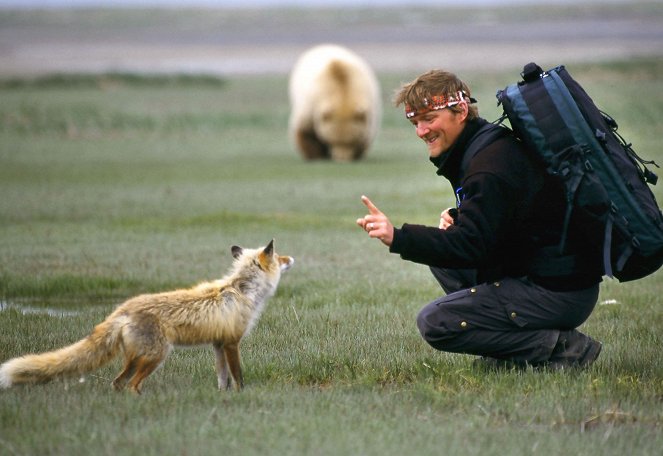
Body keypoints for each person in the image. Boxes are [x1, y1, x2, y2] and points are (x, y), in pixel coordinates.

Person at [356, 69, 604, 369]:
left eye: (429, 119)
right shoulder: (485, 148)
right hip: (557, 281)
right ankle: (512, 349)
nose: (421, 131)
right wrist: (460, 216)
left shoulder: (488, 163)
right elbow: (515, 216)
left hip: (558, 293)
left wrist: (398, 237)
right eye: (415, 122)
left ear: (460, 111)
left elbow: (469, 246)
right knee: (443, 259)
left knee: (436, 322)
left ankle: (562, 349)